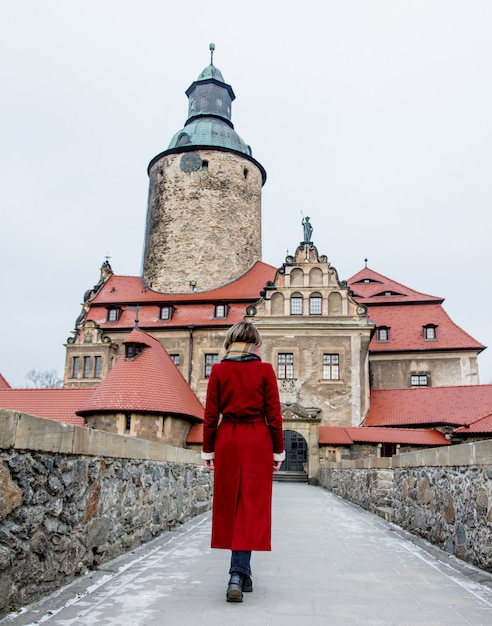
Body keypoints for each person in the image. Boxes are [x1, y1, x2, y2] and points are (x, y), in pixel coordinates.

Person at [202, 321, 285, 602]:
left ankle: (241, 573)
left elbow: (210, 416)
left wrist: (208, 451)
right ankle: (238, 573)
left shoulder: (218, 370)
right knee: (250, 506)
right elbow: (275, 415)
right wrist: (278, 451)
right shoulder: (264, 370)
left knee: (232, 505)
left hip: (228, 441)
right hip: (257, 441)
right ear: (255, 344)